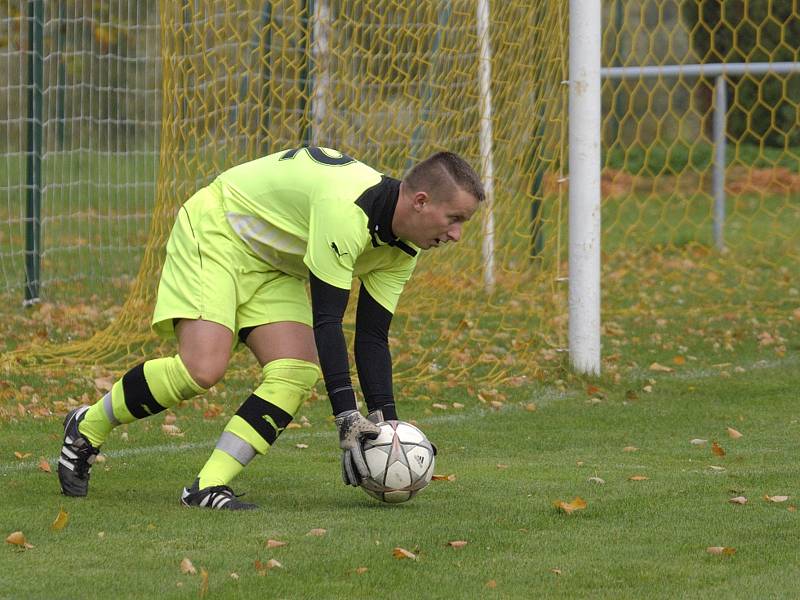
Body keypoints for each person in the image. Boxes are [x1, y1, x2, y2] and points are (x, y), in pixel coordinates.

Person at [57, 146, 484, 510]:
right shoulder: (346, 208)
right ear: (421, 201)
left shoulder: (405, 247)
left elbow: (372, 336)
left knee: (295, 373)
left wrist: (388, 430)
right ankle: (87, 427)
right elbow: (328, 320)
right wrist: (347, 417)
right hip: (220, 227)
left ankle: (206, 487)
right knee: (202, 368)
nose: (457, 234)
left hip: (275, 262)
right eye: (455, 218)